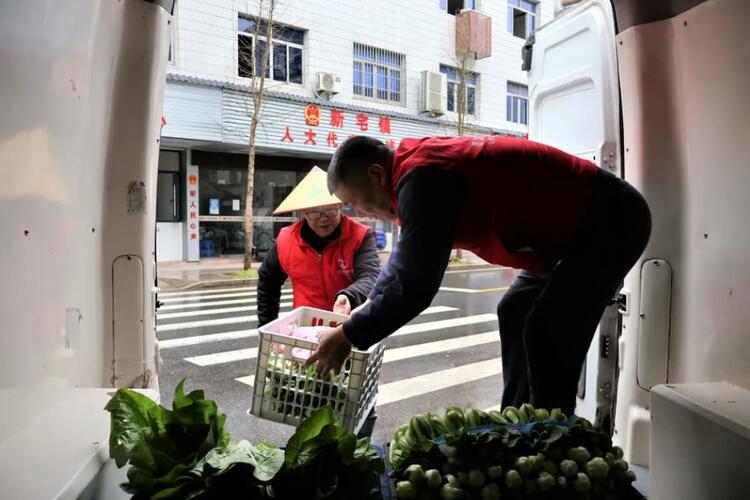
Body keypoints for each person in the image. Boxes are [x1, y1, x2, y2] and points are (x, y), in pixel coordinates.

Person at [304, 136, 651, 416]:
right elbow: (400, 264)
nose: (361, 213)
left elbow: (416, 283)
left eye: (357, 202)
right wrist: (362, 305)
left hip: (609, 222)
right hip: (564, 242)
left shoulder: (424, 175)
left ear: (376, 174)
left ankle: (550, 440)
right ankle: (519, 423)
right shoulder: (411, 175)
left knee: (547, 333)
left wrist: (350, 334)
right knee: (514, 310)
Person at [256, 166, 381, 436]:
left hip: (351, 335)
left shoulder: (360, 236)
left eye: (330, 210)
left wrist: (349, 295)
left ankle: (355, 456)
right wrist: (267, 328)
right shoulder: (286, 240)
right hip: (306, 339)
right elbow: (267, 281)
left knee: (356, 405)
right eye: (314, 212)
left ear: (340, 207)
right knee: (307, 403)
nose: (323, 218)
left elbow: (371, 276)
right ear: (303, 213)